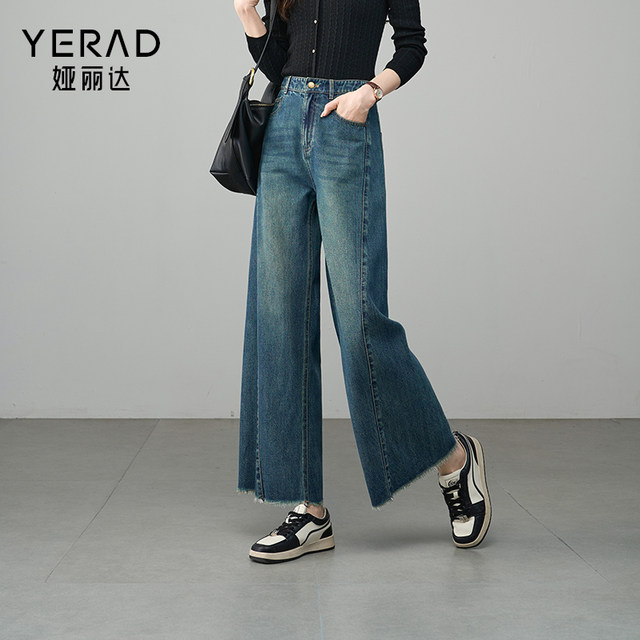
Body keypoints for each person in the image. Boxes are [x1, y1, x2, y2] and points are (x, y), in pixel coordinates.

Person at [234, 0, 492, 563]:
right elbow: (277, 62)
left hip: (345, 126)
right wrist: (249, 17)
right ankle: (308, 511)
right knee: (279, 317)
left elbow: (412, 45)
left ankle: (453, 459)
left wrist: (369, 93)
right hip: (282, 129)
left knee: (359, 322)